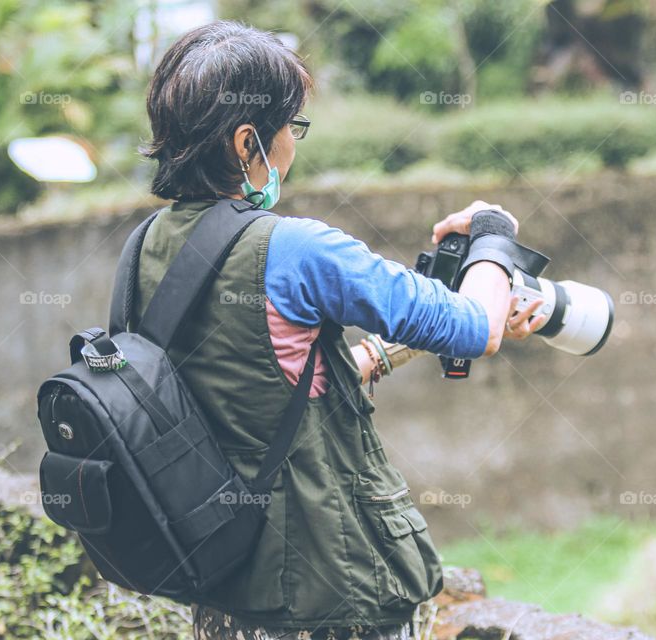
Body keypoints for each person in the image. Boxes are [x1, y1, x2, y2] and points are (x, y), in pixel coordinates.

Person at [139, 21, 545, 640]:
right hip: (334, 596)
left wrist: (383, 355)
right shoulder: (296, 248)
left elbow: (263, 386)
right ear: (247, 142)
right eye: (290, 127)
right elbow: (475, 328)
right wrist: (493, 237)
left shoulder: (143, 251)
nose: (292, 146)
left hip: (221, 593)